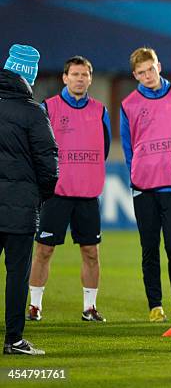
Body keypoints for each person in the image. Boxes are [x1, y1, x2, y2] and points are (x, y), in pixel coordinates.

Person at [28, 56, 111, 323]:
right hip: (56, 193)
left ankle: (89, 308)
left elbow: (105, 147)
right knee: (43, 249)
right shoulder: (48, 108)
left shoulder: (100, 111)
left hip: (87, 194)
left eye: (84, 75)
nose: (79, 79)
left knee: (91, 252)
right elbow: (38, 148)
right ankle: (35, 306)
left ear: (90, 78)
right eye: (74, 74)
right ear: (65, 78)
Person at [120, 47, 171, 322]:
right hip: (145, 187)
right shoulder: (128, 104)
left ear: (159, 66)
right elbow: (128, 147)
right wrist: (136, 175)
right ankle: (155, 305)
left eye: (150, 69)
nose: (147, 75)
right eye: (141, 72)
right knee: (149, 248)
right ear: (134, 75)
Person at [1, 44, 58, 355]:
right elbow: (49, 164)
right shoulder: (33, 112)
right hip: (20, 208)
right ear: (29, 75)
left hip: (18, 203)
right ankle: (13, 340)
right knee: (17, 275)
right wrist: (39, 196)